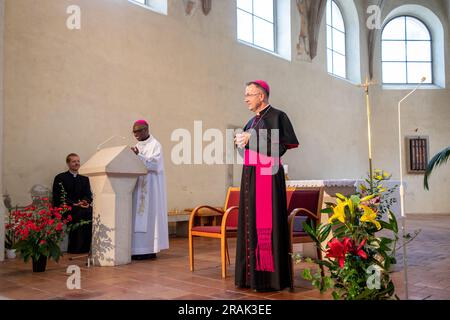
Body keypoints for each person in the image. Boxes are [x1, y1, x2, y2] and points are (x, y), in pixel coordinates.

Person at [234, 80, 299, 292]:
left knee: (265, 224)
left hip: (267, 176)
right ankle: (249, 277)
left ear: (261, 96)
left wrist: (250, 141)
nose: (245, 98)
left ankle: (268, 279)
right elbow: (246, 151)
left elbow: (279, 149)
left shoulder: (278, 116)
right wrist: (239, 143)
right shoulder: (250, 122)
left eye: (249, 94)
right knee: (249, 222)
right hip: (250, 175)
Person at [130, 119, 169, 260]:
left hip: (150, 187)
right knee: (137, 218)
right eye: (133, 132)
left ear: (146, 130)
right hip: (138, 185)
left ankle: (149, 250)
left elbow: (154, 164)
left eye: (138, 131)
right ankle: (137, 250)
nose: (135, 134)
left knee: (150, 218)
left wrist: (137, 155)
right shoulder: (136, 145)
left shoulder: (155, 145)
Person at [52, 153, 93, 254]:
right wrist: (74, 204)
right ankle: (75, 248)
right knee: (79, 212)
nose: (77, 163)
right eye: (74, 161)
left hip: (81, 207)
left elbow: (88, 195)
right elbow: (59, 196)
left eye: (78, 161)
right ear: (68, 163)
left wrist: (86, 202)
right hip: (66, 208)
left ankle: (86, 247)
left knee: (90, 211)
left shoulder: (84, 179)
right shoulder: (60, 177)